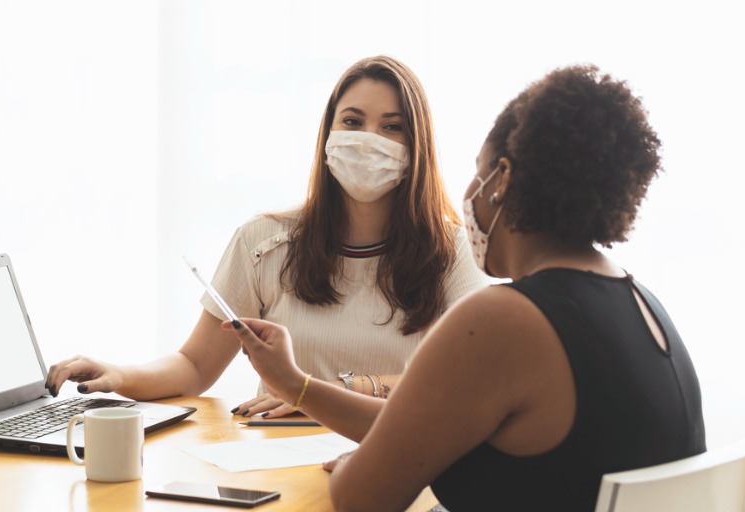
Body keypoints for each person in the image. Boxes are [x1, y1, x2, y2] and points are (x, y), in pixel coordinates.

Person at [226, 64, 706, 511]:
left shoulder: (505, 318)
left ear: (500, 179)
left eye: (476, 169)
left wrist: (360, 454)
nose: (468, 192)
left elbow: (360, 498)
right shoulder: (641, 303)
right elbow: (422, 431)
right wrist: (299, 386)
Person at [45, 56, 489, 419]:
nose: (368, 139)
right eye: (352, 121)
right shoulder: (264, 241)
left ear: (417, 147)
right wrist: (119, 375)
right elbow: (195, 366)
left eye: (391, 127)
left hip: (393, 463)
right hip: (273, 462)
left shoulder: (452, 252)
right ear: (328, 137)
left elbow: (466, 381)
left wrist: (325, 392)